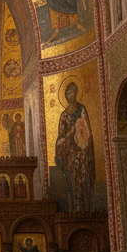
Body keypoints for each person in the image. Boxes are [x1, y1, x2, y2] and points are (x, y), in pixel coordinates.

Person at [54, 81, 95, 211]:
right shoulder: (64, 115)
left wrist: (82, 134)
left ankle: (87, 209)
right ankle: (76, 209)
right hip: (70, 155)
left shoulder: (82, 109)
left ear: (76, 92)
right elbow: (60, 138)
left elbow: (89, 131)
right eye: (66, 93)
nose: (68, 95)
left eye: (70, 92)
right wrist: (69, 135)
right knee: (74, 183)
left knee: (84, 182)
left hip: (82, 152)